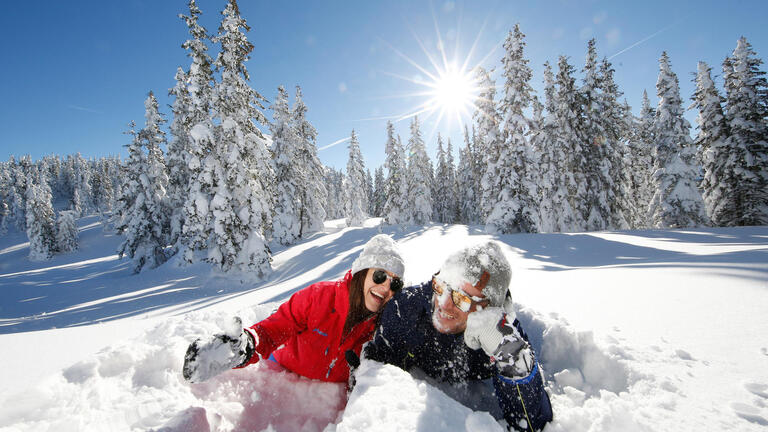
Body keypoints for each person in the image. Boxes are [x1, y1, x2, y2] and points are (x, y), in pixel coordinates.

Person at [363, 241, 553, 432]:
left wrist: (512, 361)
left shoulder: (502, 334)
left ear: (489, 308)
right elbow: (377, 377)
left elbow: (532, 424)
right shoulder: (405, 310)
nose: (443, 304)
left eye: (461, 299)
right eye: (441, 287)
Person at [182, 233, 405, 385]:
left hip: (323, 402)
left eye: (395, 283)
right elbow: (273, 329)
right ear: (361, 273)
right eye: (379, 275)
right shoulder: (319, 297)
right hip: (281, 379)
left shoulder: (383, 324)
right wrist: (247, 346)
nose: (385, 286)